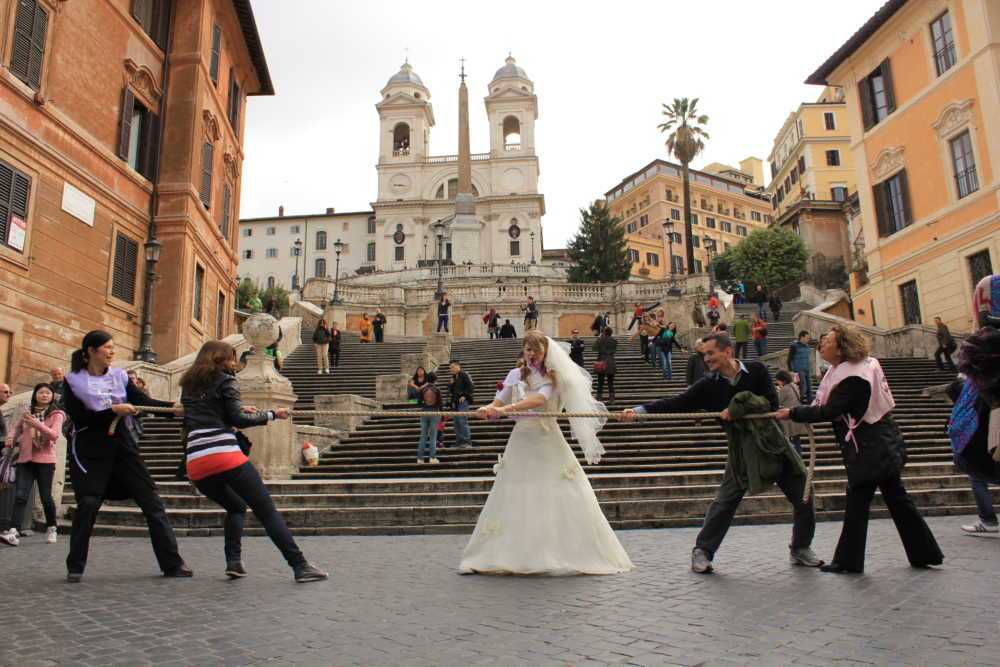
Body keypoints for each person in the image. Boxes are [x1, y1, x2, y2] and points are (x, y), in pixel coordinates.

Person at [621, 332, 821, 574]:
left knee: (804, 494)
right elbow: (677, 403)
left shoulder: (757, 371)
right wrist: (639, 411)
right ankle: (702, 551)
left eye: (711, 353)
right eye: (704, 354)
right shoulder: (708, 384)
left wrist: (735, 407)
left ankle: (800, 547)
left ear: (727, 351)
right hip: (740, 449)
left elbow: (769, 402)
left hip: (773, 444)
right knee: (724, 503)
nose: (706, 359)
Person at [462, 331, 633, 575]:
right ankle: (507, 553)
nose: (531, 355)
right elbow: (499, 399)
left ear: (546, 353)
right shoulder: (514, 374)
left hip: (546, 437)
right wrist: (488, 409)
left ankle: (560, 550)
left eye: (536, 351)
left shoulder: (553, 377)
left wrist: (505, 409)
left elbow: (538, 400)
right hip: (522, 438)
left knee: (556, 489)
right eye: (527, 350)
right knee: (515, 490)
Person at [778, 325, 944, 574]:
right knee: (898, 500)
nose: (821, 344)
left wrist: (793, 412)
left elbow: (830, 410)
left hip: (869, 447)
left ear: (842, 347)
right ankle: (924, 553)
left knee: (862, 502)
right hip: (881, 442)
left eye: (828, 341)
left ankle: (849, 561)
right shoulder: (862, 366)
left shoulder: (852, 376)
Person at [179, 341, 327, 582]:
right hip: (224, 454)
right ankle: (300, 565)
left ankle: (234, 562)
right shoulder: (226, 380)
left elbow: (208, 414)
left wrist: (233, 411)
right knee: (266, 511)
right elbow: (238, 418)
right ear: (220, 359)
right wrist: (272, 414)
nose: (235, 363)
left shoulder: (188, 384)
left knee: (236, 507)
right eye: (231, 358)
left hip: (196, 461)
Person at [61, 330, 191, 582]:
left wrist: (176, 410)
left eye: (113, 347)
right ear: (90, 350)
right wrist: (112, 411)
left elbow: (143, 401)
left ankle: (172, 563)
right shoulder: (73, 380)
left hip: (121, 448)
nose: (112, 351)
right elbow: (81, 417)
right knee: (87, 506)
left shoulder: (120, 376)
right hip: (89, 451)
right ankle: (75, 566)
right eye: (107, 347)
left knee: (152, 502)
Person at [0, 383, 64, 546]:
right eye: (41, 393)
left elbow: (54, 436)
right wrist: (10, 438)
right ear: (35, 395)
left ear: (52, 396)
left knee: (46, 497)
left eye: (48, 393)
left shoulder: (57, 414)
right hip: (25, 459)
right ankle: (14, 531)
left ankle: (51, 528)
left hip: (45, 461)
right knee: (20, 496)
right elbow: (16, 428)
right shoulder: (26, 412)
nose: (44, 395)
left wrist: (36, 424)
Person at [775, 370, 808, 455]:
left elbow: (778, 401)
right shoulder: (794, 386)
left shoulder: (784, 389)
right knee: (797, 440)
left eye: (778, 380)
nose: (777, 382)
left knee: (787, 440)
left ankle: (793, 458)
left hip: (788, 417)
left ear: (782, 379)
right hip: (796, 414)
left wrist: (778, 391)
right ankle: (799, 456)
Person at [448, 360, 474, 448]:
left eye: (452, 367)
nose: (450, 369)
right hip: (454, 402)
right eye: (450, 368)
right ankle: (459, 441)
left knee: (462, 420)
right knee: (456, 422)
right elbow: (451, 391)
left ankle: (466, 441)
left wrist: (465, 396)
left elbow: (470, 386)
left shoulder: (464, 375)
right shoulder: (453, 377)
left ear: (458, 366)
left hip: (462, 402)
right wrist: (451, 385)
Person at [416, 383, 443, 465]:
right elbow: (440, 403)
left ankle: (420, 458)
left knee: (423, 436)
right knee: (433, 437)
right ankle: (432, 457)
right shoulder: (436, 389)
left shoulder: (423, 389)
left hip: (424, 412)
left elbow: (418, 402)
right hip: (434, 411)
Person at [593, 326, 617, 403]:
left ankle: (599, 398)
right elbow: (613, 350)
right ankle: (612, 399)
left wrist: (598, 339)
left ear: (604, 333)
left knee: (600, 382)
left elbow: (594, 348)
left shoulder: (600, 340)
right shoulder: (614, 341)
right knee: (610, 382)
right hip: (611, 362)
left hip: (601, 361)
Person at [788, 331, 814, 404]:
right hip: (798, 370)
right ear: (802, 337)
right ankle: (799, 402)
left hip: (807, 369)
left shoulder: (807, 346)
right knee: (803, 387)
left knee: (809, 387)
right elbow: (789, 359)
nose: (808, 339)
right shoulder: (794, 346)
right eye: (807, 338)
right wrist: (791, 370)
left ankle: (810, 403)